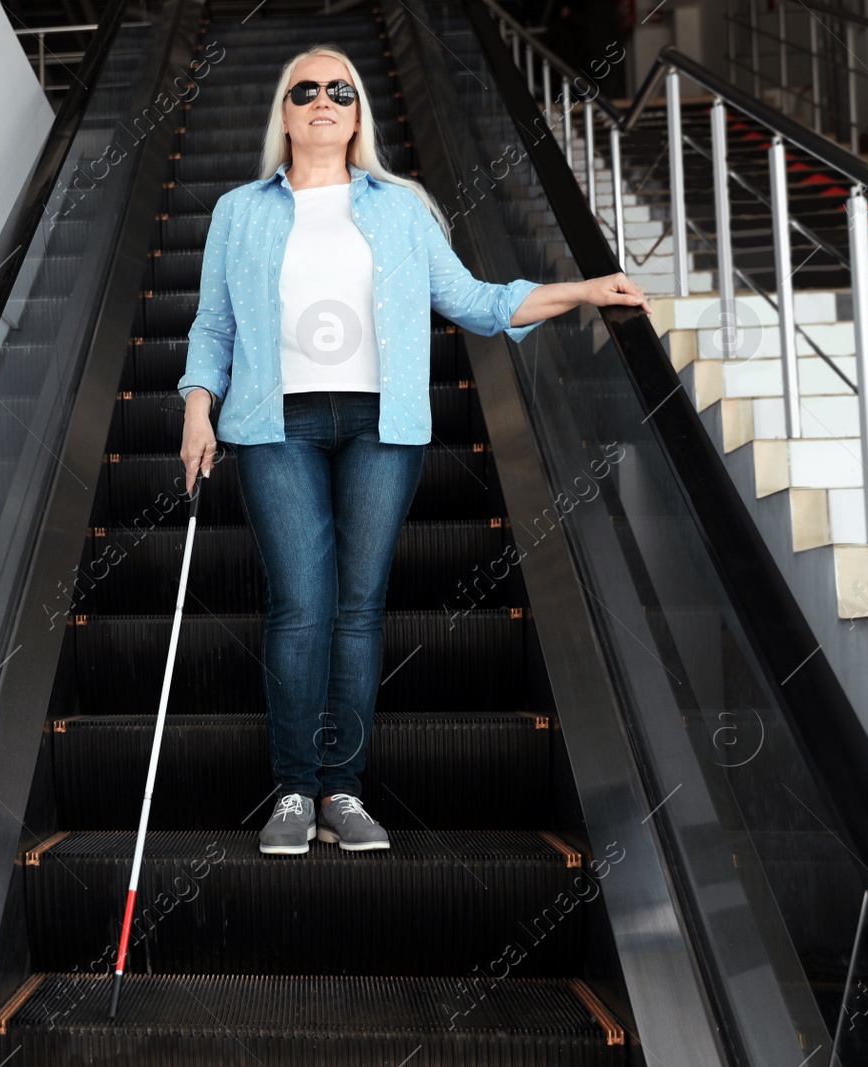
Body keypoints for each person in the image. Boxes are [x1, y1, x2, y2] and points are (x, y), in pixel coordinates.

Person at [175, 45, 650, 856]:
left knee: (358, 609)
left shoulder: (402, 209)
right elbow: (214, 325)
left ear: (359, 113)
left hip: (380, 427)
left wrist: (579, 289)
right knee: (300, 604)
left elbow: (473, 301)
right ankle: (294, 787)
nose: (323, 100)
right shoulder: (238, 211)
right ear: (284, 113)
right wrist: (197, 406)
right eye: (305, 90)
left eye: (340, 89)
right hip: (273, 426)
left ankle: (345, 790)